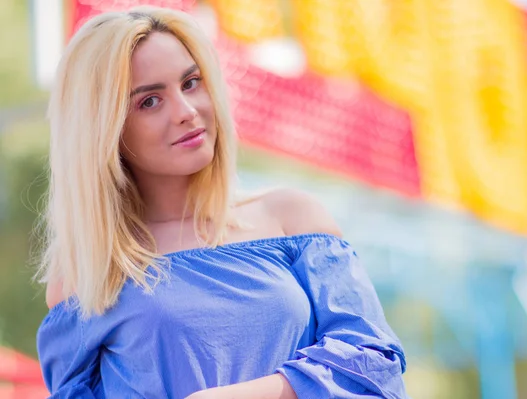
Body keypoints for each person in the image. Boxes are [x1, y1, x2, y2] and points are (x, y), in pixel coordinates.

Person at [35, 6, 408, 399]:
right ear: (103, 129)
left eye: (191, 82)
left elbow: (374, 365)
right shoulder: (88, 271)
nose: (186, 111)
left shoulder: (291, 218)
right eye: (149, 102)